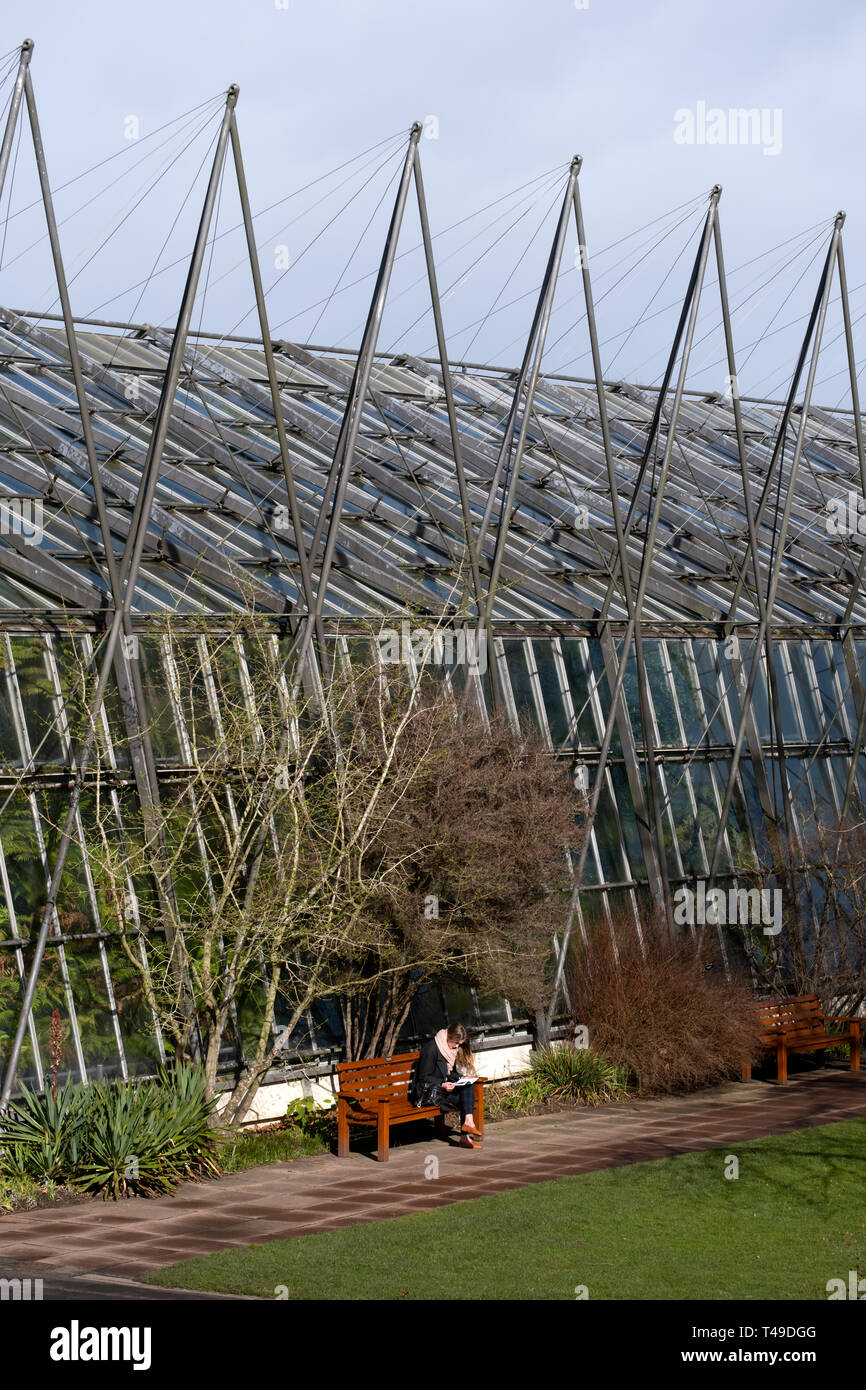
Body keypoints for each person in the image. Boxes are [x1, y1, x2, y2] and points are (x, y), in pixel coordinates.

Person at [414, 1023, 483, 1148]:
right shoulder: (431, 1049)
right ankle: (465, 1136)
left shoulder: (449, 1049)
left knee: (467, 1087)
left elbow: (449, 1073)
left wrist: (461, 1078)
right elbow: (423, 1078)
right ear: (449, 1036)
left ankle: (468, 1123)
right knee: (465, 1099)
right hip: (429, 1093)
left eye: (459, 1044)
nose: (457, 1046)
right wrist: (442, 1084)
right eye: (456, 1043)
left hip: (442, 1091)